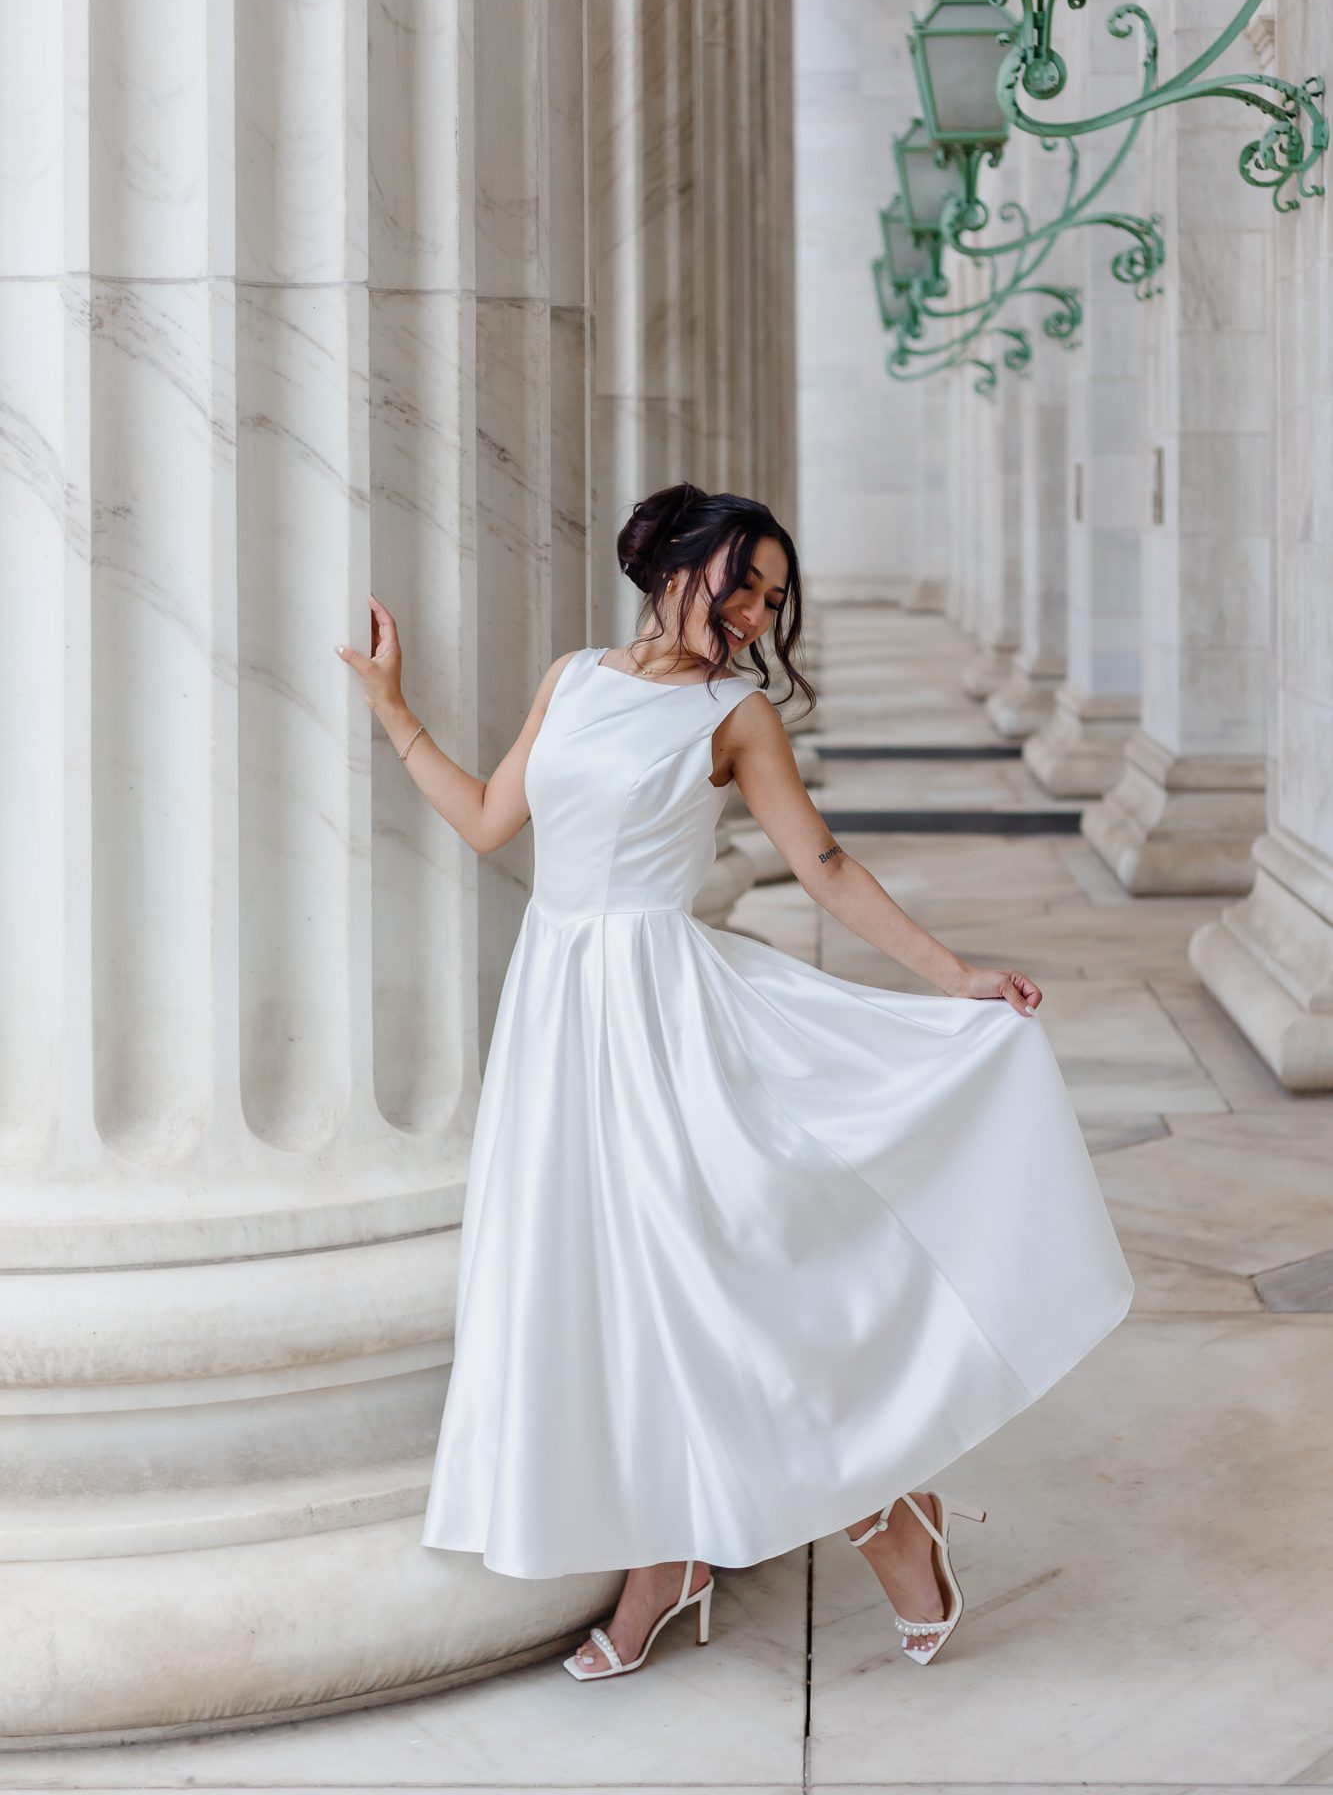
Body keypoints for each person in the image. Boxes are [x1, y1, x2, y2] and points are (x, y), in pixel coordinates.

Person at [335, 482, 1134, 1682]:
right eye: (743, 583)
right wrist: (395, 712)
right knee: (604, 1284)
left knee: (725, 1269)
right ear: (679, 563)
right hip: (558, 1013)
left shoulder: (737, 713)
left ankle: (882, 1504)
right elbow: (495, 822)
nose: (757, 610)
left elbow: (821, 862)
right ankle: (668, 1557)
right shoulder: (572, 677)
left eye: (773, 596)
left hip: (666, 1011)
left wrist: (952, 971)